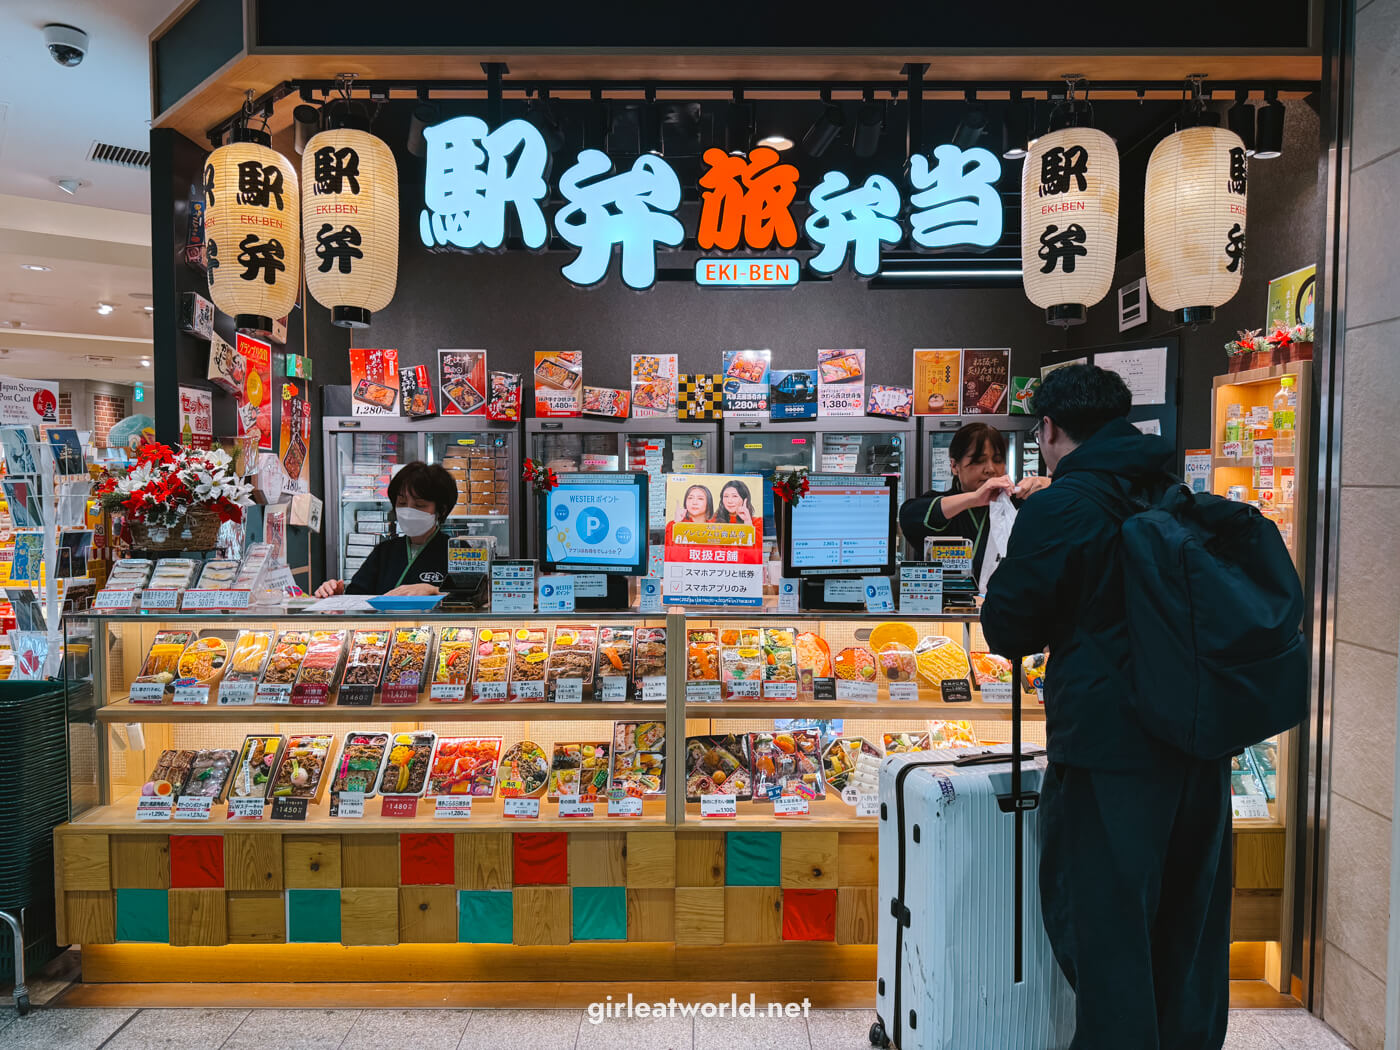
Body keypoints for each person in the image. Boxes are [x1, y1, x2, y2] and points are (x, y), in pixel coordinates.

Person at [981, 364, 1231, 1050]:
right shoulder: (1170, 489)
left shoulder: (1064, 505)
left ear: (1050, 430)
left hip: (1110, 750)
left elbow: (1009, 629)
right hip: (1199, 741)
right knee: (1187, 933)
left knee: (1107, 933)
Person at [898, 423, 1049, 579]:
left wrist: (1052, 485)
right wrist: (974, 498)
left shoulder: (1016, 505)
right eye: (978, 461)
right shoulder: (941, 505)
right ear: (954, 466)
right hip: (946, 602)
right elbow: (910, 515)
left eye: (997, 460)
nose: (990, 469)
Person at [314, 461, 457, 598]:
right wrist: (337, 596)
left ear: (441, 510)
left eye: (419, 505)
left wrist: (434, 590)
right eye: (401, 502)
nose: (408, 511)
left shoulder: (457, 550)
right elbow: (357, 596)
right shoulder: (384, 552)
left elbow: (474, 599)